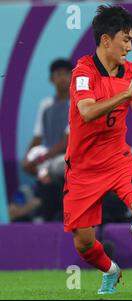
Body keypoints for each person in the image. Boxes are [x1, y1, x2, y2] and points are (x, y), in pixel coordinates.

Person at [65, 5, 132, 295]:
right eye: (125, 39)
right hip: (83, 168)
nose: (129, 46)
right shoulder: (83, 71)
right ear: (105, 40)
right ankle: (111, 271)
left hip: (117, 159)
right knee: (84, 245)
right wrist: (126, 92)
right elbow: (87, 112)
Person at [22, 58, 72, 221]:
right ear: (52, 79)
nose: (63, 78)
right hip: (49, 160)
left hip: (68, 159)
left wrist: (42, 159)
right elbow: (38, 137)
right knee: (42, 173)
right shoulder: (45, 105)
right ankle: (47, 215)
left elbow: (67, 141)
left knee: (54, 170)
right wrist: (28, 159)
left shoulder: (77, 103)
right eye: (59, 74)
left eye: (67, 74)